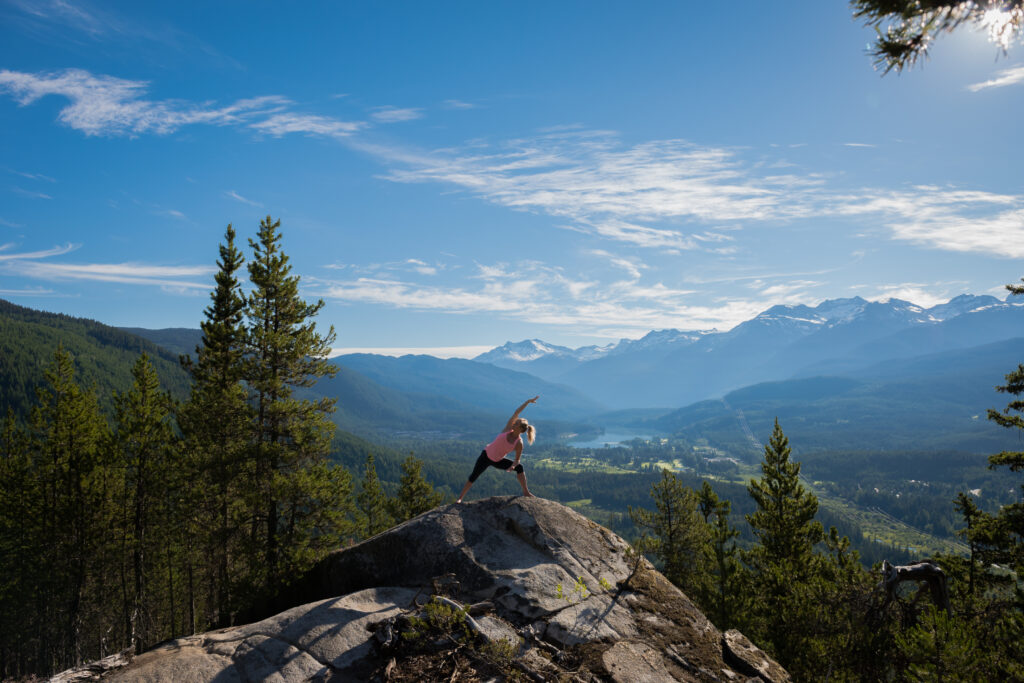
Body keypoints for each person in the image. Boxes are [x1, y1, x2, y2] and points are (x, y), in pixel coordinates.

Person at [457, 396, 538, 503]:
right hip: (485, 456)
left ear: (520, 429)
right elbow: (516, 412)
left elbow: (517, 460)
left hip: (497, 461)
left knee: (520, 468)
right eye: (515, 422)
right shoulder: (508, 428)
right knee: (473, 476)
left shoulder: (518, 443)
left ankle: (526, 492)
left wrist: (513, 466)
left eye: (516, 423)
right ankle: (460, 498)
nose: (514, 423)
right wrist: (528, 402)